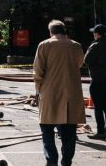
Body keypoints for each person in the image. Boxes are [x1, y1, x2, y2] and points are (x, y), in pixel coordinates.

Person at [34, 19, 85, 166]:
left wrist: (39, 89)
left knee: (47, 130)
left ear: (51, 32)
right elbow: (80, 63)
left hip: (50, 94)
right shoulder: (76, 46)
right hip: (71, 94)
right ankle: (67, 161)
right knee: (69, 134)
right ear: (64, 31)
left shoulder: (44, 45)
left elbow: (38, 71)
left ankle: (52, 161)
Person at [84, 24, 106, 139]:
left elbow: (86, 60)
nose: (93, 34)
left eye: (94, 33)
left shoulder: (95, 46)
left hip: (96, 79)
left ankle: (101, 131)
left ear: (98, 34)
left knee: (98, 107)